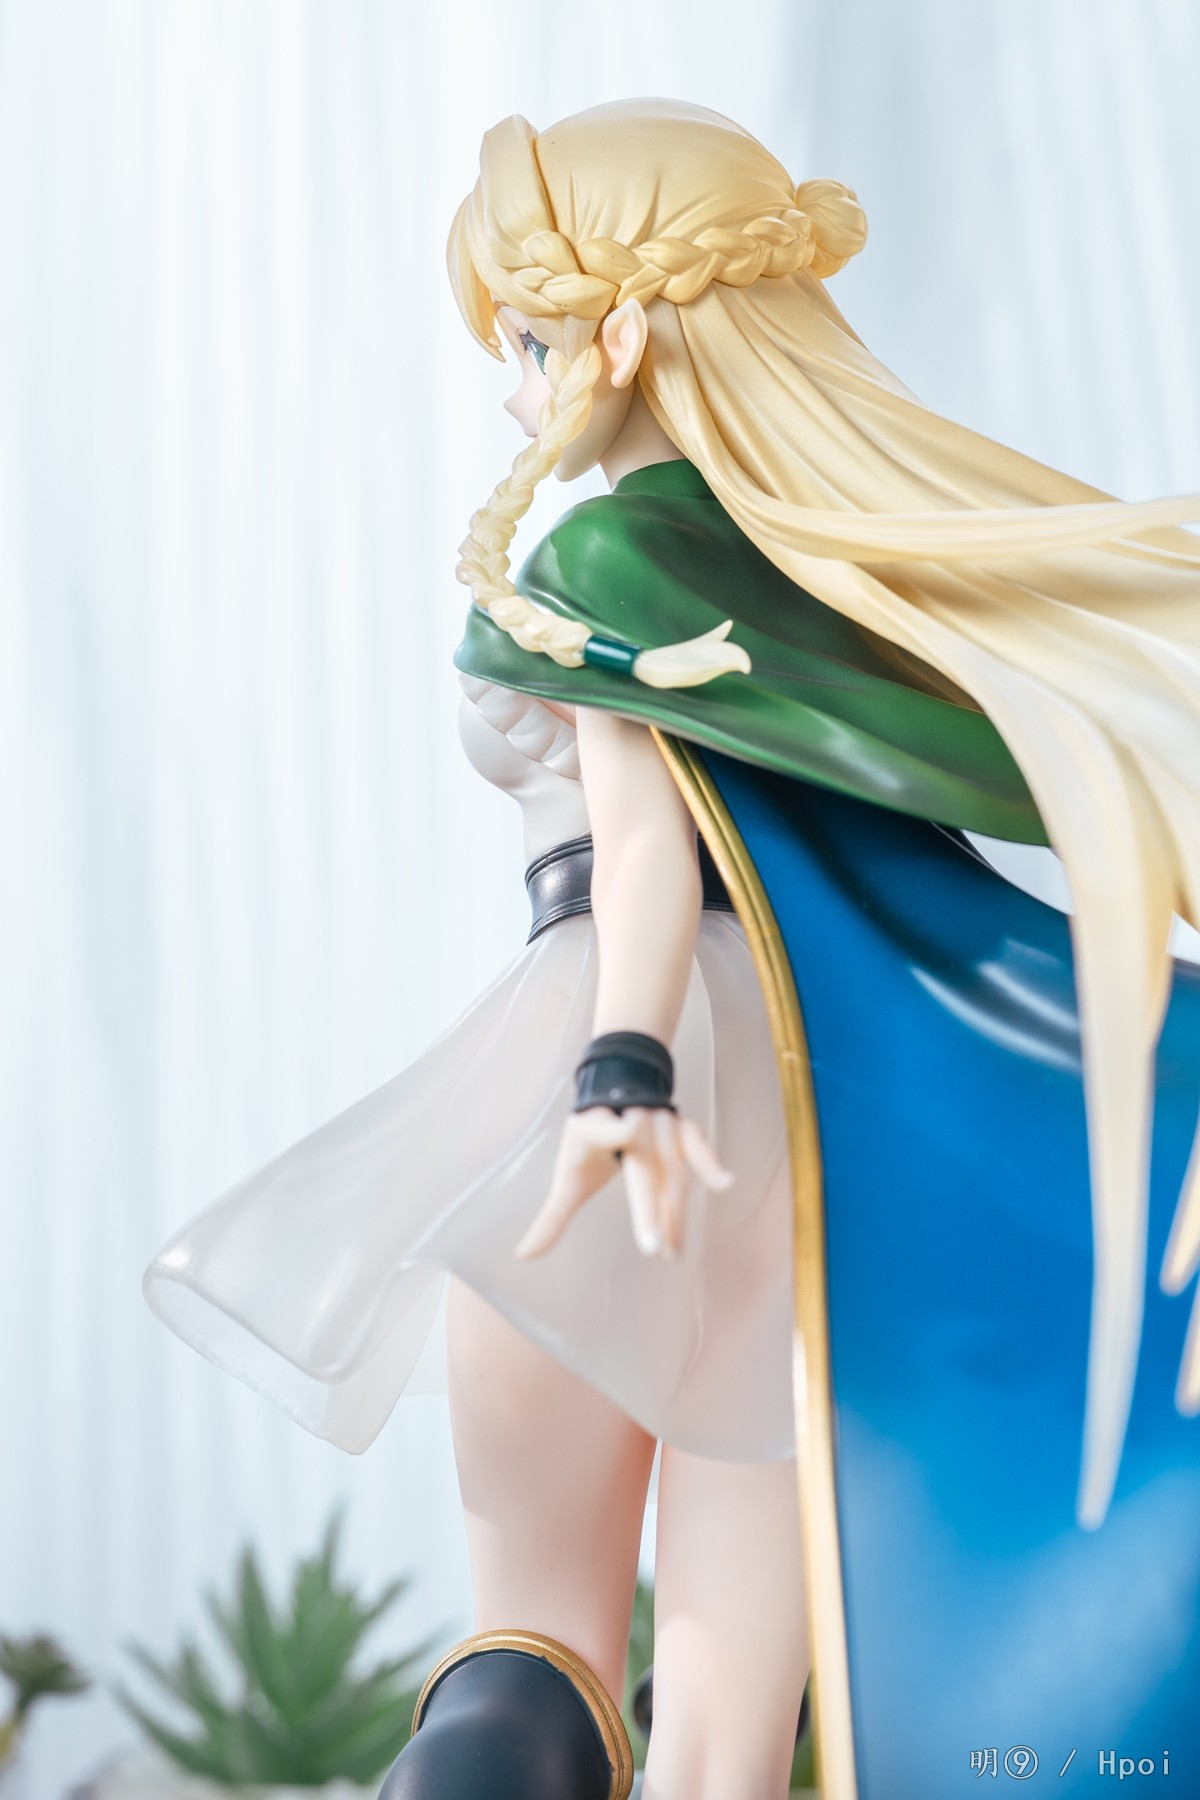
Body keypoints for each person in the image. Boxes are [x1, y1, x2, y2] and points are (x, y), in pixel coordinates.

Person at [147, 100, 1200, 1800]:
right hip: (808, 1140)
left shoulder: (606, 557)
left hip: (604, 1103)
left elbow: (641, 859)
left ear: (621, 338)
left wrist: (621, 1070)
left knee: (530, 1662)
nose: (515, 390)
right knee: (726, 1734)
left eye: (527, 344)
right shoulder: (833, 568)